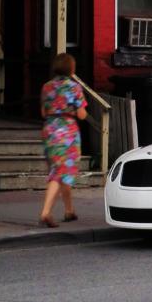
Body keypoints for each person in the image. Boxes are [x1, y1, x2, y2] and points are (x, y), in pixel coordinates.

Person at [39, 53, 88, 227]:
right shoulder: (75, 87)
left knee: (62, 171)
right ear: (71, 68)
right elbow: (82, 114)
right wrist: (75, 112)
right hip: (67, 132)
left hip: (50, 130)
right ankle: (45, 212)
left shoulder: (47, 87)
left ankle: (69, 211)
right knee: (60, 173)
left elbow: (43, 113)